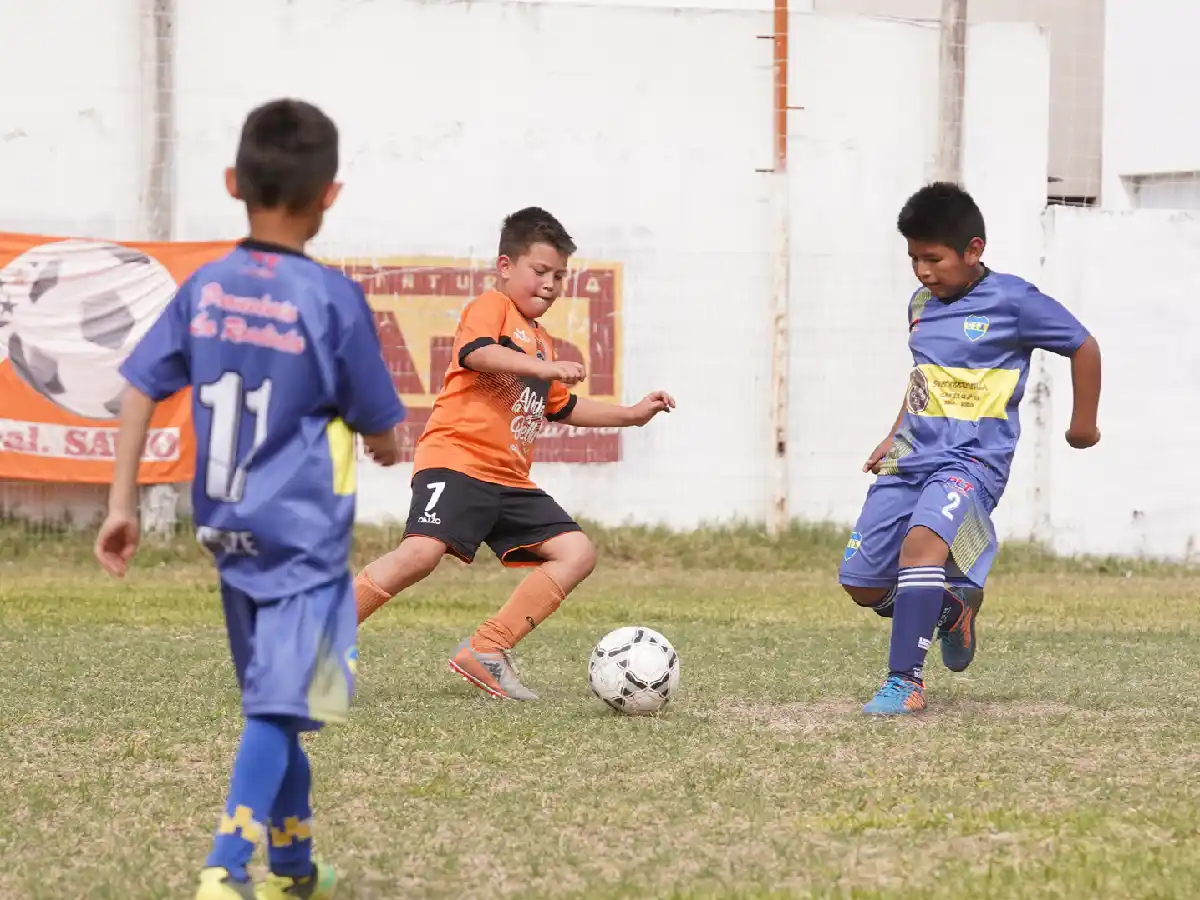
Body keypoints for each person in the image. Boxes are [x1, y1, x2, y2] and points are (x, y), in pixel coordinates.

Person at [94, 98, 406, 899]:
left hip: (229, 538)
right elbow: (381, 423)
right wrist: (383, 444)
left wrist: (121, 503)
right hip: (304, 546)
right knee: (279, 709)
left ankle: (296, 869)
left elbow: (135, 390)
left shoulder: (206, 287)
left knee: (284, 707)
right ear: (330, 196)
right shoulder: (331, 300)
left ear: (234, 181)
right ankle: (226, 872)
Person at [353, 206, 675, 701]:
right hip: (456, 459)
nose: (550, 284)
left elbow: (564, 408)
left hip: (509, 478)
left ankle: (488, 648)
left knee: (576, 552)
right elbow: (476, 353)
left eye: (559, 277)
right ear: (506, 266)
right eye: (540, 271)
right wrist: (541, 368)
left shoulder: (543, 345)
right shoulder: (492, 307)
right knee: (421, 553)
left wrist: (631, 415)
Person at [839, 182, 1102, 716]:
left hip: (972, 460)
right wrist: (894, 432)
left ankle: (904, 683)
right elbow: (924, 376)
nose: (922, 271)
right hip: (911, 454)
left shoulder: (1015, 301)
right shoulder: (919, 305)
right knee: (862, 582)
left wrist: (1083, 424)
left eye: (933, 258)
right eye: (913, 258)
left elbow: (1083, 345)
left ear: (973, 250)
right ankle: (952, 607)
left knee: (923, 546)